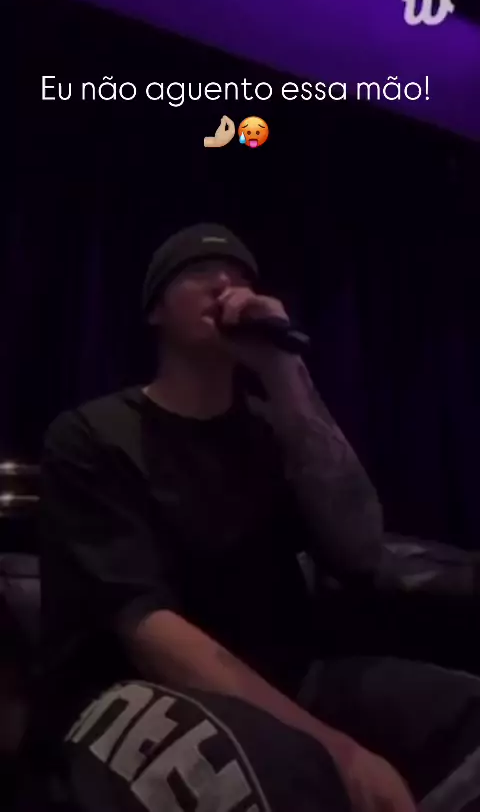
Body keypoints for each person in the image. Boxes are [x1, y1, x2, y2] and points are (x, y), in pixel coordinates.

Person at [31, 223, 480, 812]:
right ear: (154, 311)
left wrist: (283, 371)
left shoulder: (271, 427)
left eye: (241, 275)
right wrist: (336, 749)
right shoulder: (93, 435)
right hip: (144, 695)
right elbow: (146, 630)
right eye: (198, 271)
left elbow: (358, 549)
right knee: (280, 772)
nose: (225, 283)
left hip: (286, 678)